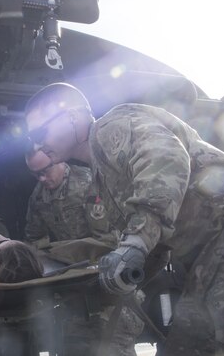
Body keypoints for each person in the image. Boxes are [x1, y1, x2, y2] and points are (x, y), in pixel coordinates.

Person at [24, 82, 224, 355]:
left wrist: (135, 243)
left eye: (40, 132)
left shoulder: (111, 126)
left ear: (73, 117)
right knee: (186, 347)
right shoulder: (102, 176)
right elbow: (153, 239)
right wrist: (126, 273)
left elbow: (166, 159)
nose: (38, 144)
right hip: (207, 260)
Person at [25, 149, 140, 356]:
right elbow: (34, 239)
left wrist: (66, 251)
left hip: (107, 277)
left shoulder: (88, 183)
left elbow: (108, 240)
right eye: (35, 174)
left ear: (58, 159)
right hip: (74, 286)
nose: (42, 178)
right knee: (75, 345)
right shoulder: (37, 197)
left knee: (114, 342)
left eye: (45, 170)